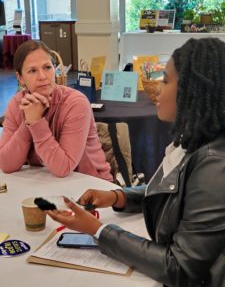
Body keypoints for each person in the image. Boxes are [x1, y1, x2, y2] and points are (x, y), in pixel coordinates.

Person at [47, 37, 225, 287]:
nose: (158, 90)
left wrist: (99, 231)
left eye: (166, 80)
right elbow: (175, 194)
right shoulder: (196, 139)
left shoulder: (214, 166)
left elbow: (180, 268)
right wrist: (118, 197)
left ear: (192, 90)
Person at [0, 40, 112, 180]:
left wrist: (36, 122)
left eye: (47, 67)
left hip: (90, 187)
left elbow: (63, 168)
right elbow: (6, 164)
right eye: (32, 71)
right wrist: (28, 122)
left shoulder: (75, 103)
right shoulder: (17, 104)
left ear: (55, 69)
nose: (42, 76)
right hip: (43, 183)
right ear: (20, 78)